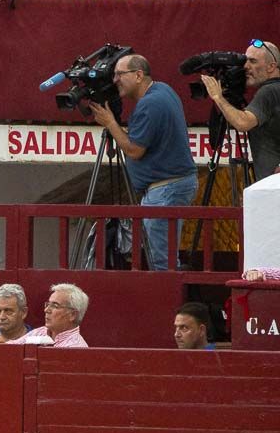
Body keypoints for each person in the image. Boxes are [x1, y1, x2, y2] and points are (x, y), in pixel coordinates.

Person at [89, 54, 197, 271]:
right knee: (163, 258)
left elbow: (134, 150)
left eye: (120, 74)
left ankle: (167, 303)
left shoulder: (149, 104)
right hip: (171, 186)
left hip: (164, 189)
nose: (115, 80)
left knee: (162, 263)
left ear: (138, 75)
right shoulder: (163, 89)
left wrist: (110, 122)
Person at [203, 40, 280, 182]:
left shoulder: (268, 91)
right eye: (245, 61)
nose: (245, 67)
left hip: (274, 188)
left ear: (271, 66)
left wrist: (218, 97)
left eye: (253, 61)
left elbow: (242, 123)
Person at [0, 283, 89, 346]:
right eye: (48, 304)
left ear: (72, 315)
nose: (46, 310)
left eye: (55, 306)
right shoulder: (41, 332)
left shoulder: (76, 347)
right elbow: (12, 348)